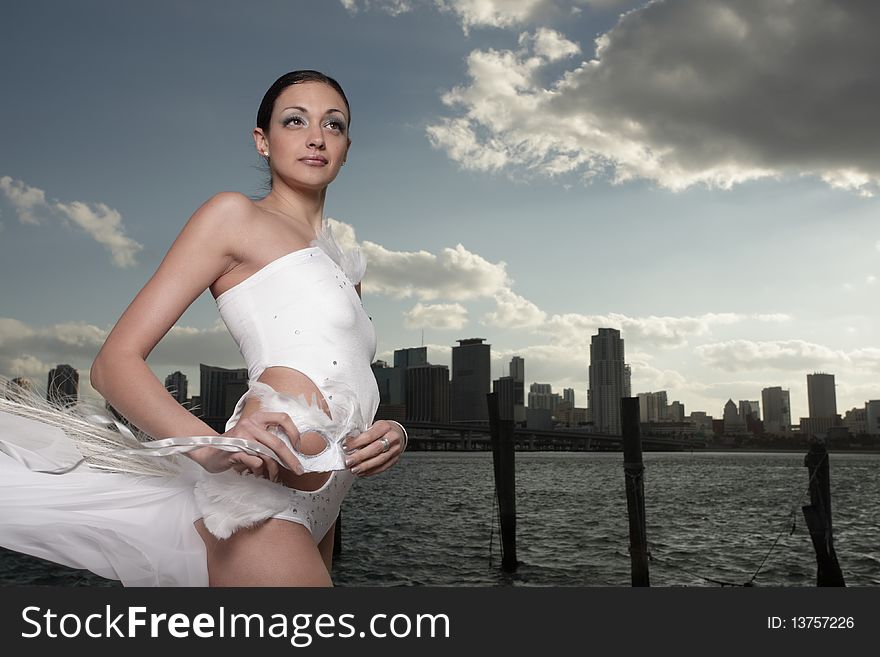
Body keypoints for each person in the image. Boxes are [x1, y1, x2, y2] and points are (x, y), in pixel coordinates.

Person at [0, 70, 407, 587]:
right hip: (262, 502)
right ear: (262, 141)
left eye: (333, 124)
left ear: (347, 147)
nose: (315, 136)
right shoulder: (233, 216)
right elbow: (112, 364)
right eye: (294, 120)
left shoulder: (342, 266)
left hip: (326, 502)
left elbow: (345, 377)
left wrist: (393, 433)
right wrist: (207, 446)